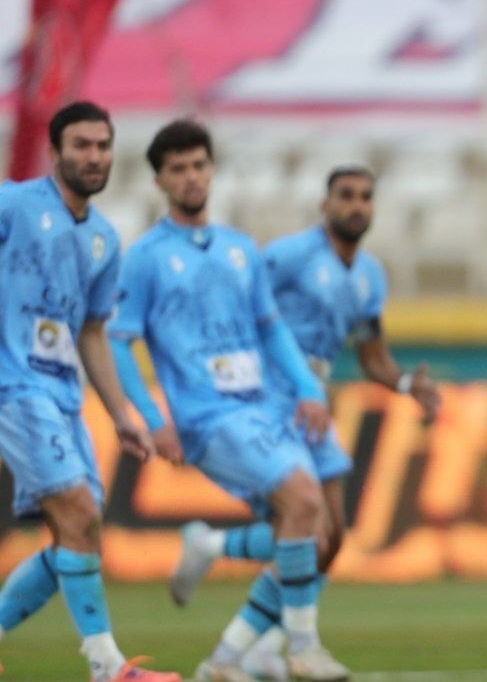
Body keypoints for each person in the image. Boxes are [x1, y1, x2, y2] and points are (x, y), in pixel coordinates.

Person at [167, 165, 441, 680]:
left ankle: (236, 615)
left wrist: (406, 384)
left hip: (313, 400)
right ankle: (264, 650)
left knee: (329, 541)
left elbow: (372, 355)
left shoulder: (370, 275)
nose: (356, 205)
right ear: (325, 204)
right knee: (307, 530)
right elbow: (238, 299)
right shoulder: (291, 255)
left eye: (365, 197)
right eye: (346, 195)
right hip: (269, 395)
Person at [108, 120, 347, 682]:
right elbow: (117, 342)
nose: (191, 177)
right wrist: (152, 418)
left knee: (313, 536)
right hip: (207, 415)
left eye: (199, 165)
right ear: (160, 181)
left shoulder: (240, 248)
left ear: (211, 170)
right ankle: (304, 648)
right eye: (178, 169)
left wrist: (308, 390)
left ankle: (223, 658)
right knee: (304, 497)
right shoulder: (146, 257)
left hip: (261, 407)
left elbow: (271, 328)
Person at [0, 102, 179, 681]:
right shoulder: (15, 205)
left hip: (62, 393)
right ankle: (109, 668)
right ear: (55, 151)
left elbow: (93, 332)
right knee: (77, 512)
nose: (94, 156)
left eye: (102, 145)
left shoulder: (103, 238)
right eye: (81, 145)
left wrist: (122, 414)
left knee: (82, 528)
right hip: (13, 385)